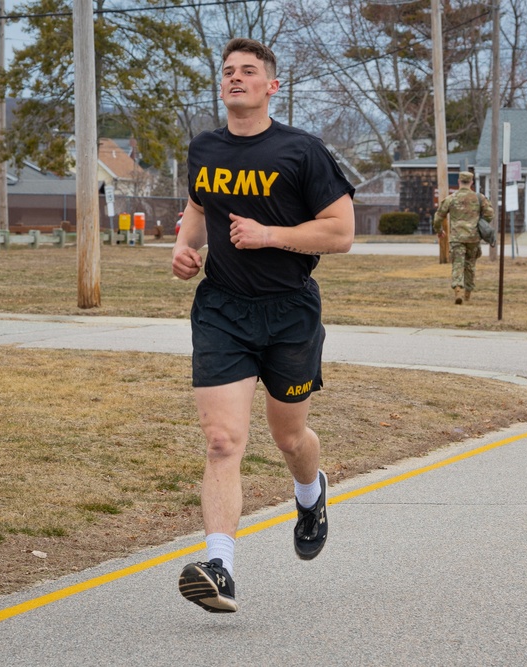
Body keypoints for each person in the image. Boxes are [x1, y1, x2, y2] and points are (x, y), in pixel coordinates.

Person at [171, 37, 355, 613]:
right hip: (222, 309)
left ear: (271, 86)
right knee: (222, 440)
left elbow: (341, 233)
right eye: (227, 71)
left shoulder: (302, 151)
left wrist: (271, 235)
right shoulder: (205, 148)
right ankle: (220, 567)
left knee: (289, 437)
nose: (235, 78)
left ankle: (310, 492)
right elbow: (200, 210)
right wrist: (183, 248)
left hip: (290, 311)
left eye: (248, 71)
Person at [432, 171, 494, 304]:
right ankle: (468, 294)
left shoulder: (451, 198)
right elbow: (489, 214)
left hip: (457, 238)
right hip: (473, 237)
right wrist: (480, 224)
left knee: (458, 264)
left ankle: (458, 290)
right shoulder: (479, 198)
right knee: (470, 265)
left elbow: (438, 217)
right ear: (471, 182)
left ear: (459, 182)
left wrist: (439, 230)